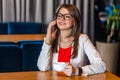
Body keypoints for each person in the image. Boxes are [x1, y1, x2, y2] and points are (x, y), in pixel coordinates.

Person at [37, 4, 106, 76]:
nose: (62, 19)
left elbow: (101, 65)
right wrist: (48, 41)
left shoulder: (83, 39)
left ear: (74, 21)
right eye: (59, 16)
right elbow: (42, 67)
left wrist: (78, 71)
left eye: (67, 16)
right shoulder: (52, 39)